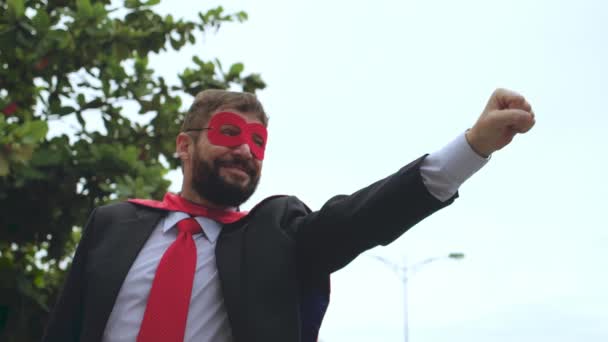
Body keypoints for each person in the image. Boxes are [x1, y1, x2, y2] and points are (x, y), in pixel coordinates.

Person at [42, 88, 535, 342]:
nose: (246, 151)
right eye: (229, 134)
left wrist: (473, 146)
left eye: (258, 142)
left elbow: (368, 216)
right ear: (184, 145)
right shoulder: (113, 223)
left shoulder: (275, 235)